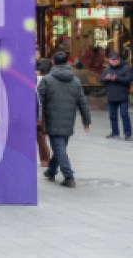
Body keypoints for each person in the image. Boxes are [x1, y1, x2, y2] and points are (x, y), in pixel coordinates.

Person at [38, 51, 91, 188]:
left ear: (53, 62)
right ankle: (51, 171)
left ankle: (69, 176)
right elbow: (82, 102)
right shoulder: (75, 81)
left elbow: (38, 101)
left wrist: (36, 117)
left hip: (53, 119)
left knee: (59, 148)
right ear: (68, 62)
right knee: (60, 147)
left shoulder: (47, 80)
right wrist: (86, 120)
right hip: (68, 120)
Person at [101, 51, 133, 141]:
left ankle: (128, 134)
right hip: (111, 95)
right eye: (112, 60)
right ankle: (115, 133)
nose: (113, 62)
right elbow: (102, 79)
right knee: (112, 115)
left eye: (115, 60)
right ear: (109, 61)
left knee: (124, 114)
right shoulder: (107, 69)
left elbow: (128, 79)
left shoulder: (126, 68)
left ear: (119, 60)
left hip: (123, 95)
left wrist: (116, 78)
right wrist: (106, 78)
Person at [35, 58, 52, 167]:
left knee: (38, 134)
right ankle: (45, 159)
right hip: (46, 112)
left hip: (36, 112)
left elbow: (39, 101)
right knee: (41, 136)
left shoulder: (35, 80)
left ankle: (45, 159)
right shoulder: (50, 80)